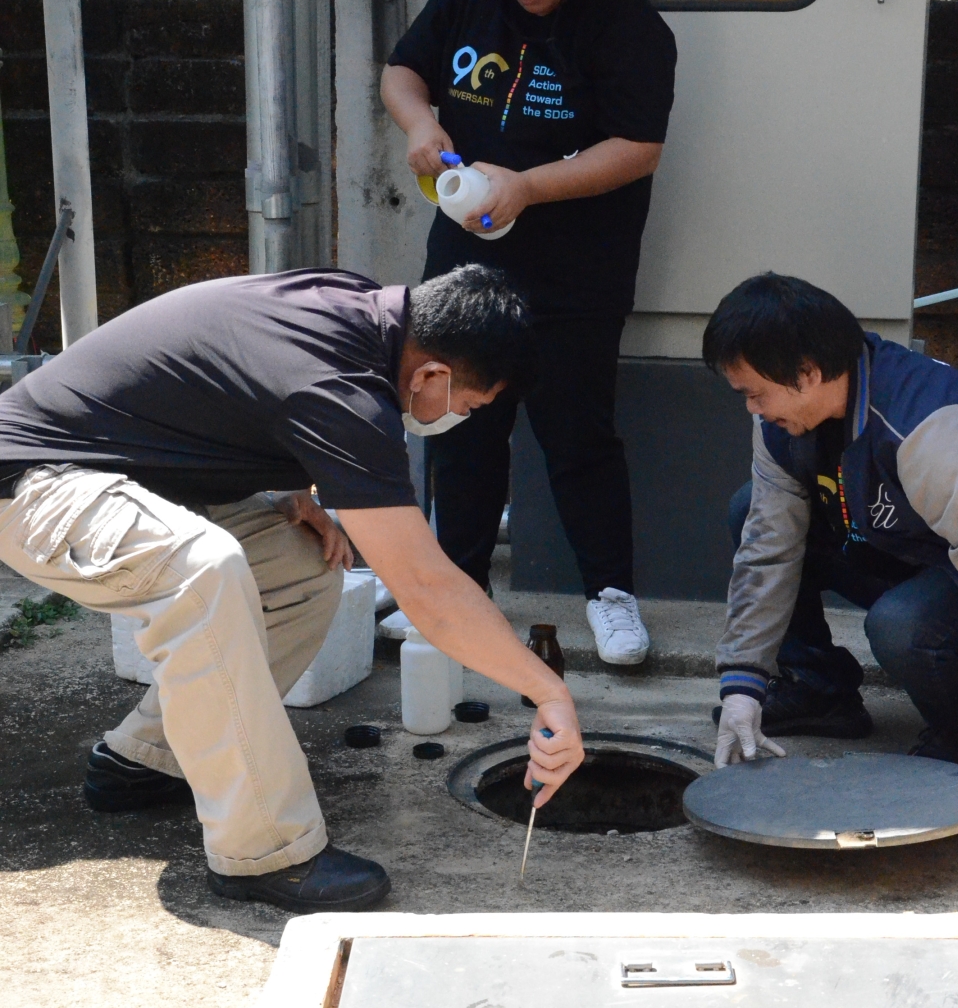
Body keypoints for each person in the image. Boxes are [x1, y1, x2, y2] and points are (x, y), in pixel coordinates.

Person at [0, 264, 585, 912]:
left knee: (302, 567)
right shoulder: (342, 384)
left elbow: (224, 392)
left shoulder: (357, 313)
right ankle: (263, 854)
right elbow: (424, 584)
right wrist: (546, 689)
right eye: (468, 407)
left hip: (117, 473)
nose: (460, 418)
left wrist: (290, 491)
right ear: (431, 377)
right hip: (31, 482)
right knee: (202, 569)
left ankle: (145, 757)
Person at [381, 0, 677, 667]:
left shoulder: (627, 24)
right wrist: (418, 127)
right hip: (464, 257)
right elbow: (405, 70)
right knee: (458, 427)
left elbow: (637, 147)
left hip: (579, 264)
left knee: (577, 433)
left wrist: (529, 187)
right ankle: (455, 588)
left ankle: (611, 596)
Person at [706, 274, 958, 806]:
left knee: (901, 623)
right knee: (750, 510)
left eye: (755, 393)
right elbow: (769, 546)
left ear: (806, 374)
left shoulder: (928, 424)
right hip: (897, 552)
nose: (751, 408)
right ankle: (819, 689)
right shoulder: (781, 423)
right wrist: (744, 682)